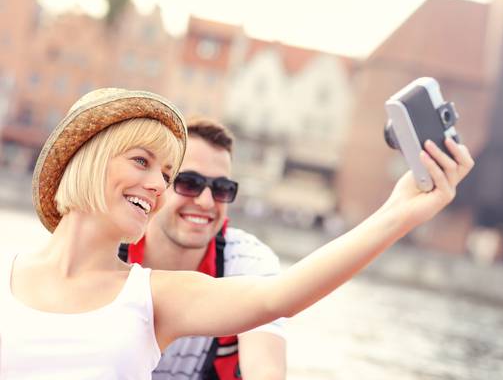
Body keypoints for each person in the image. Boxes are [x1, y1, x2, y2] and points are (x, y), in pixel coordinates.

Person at [0, 87, 474, 379]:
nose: (157, 184)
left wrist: (401, 211)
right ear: (87, 160)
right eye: (142, 162)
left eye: (166, 174)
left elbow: (278, 297)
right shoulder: (7, 272)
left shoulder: (153, 296)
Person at [122, 117, 286, 380]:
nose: (206, 202)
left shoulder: (246, 259)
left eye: (221, 188)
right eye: (189, 183)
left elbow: (265, 368)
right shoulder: (111, 246)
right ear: (158, 184)